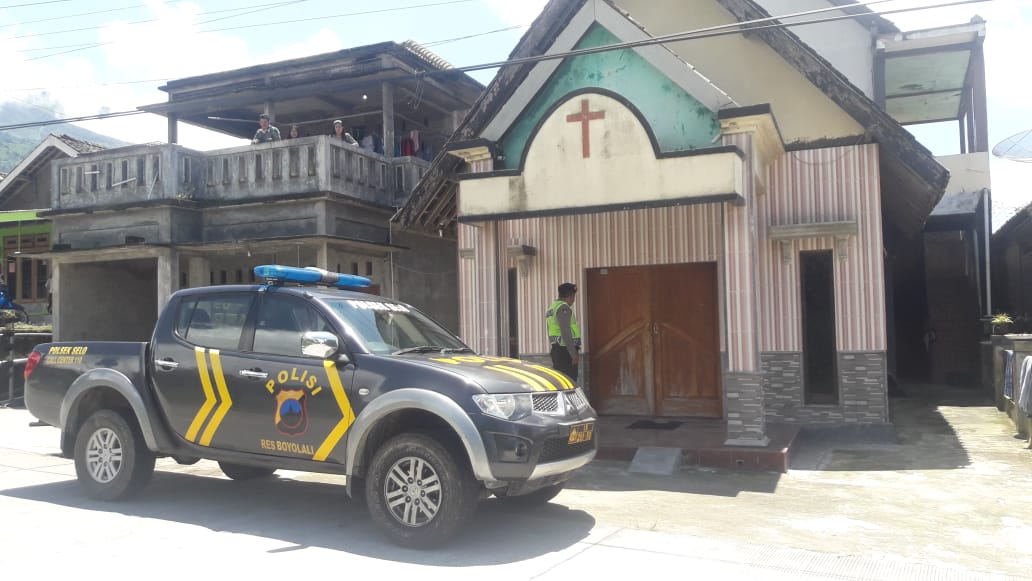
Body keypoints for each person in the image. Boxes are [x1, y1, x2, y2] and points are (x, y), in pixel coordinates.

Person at [546, 282, 581, 381]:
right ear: (570, 296)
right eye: (573, 297)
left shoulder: (552, 308)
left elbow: (550, 330)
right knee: (569, 381)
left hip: (557, 349)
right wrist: (573, 354)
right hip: (565, 352)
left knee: (561, 381)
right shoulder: (564, 308)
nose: (573, 300)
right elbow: (566, 332)